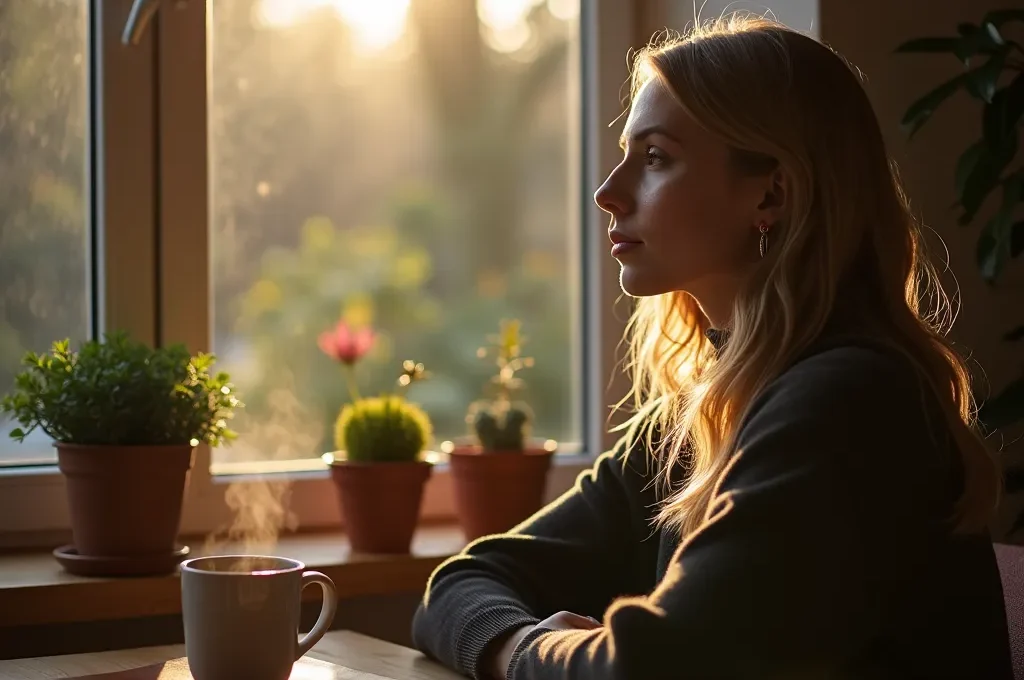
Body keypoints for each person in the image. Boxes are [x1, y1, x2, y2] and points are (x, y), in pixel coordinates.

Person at [411, 14, 1014, 680]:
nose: (607, 194)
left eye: (656, 158)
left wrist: (523, 652)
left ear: (773, 193)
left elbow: (655, 669)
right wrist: (518, 645)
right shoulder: (698, 413)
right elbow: (463, 582)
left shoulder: (847, 402)